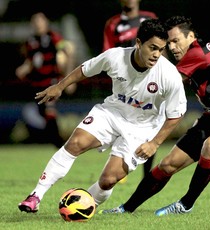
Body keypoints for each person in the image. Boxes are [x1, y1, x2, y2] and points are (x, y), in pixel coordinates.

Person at [18, 18, 187, 213]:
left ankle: (83, 207)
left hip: (142, 127)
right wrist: (60, 86)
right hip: (112, 113)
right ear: (139, 43)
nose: (157, 54)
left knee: (108, 181)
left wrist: (155, 143)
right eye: (152, 48)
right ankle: (35, 196)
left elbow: (177, 113)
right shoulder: (115, 57)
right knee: (75, 143)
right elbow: (85, 70)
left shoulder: (168, 74)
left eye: (161, 49)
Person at [100, 15, 210, 216]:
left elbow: (166, 80)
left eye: (176, 41)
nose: (173, 47)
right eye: (169, 43)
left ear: (191, 36)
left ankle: (186, 204)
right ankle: (126, 209)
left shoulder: (197, 54)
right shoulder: (199, 52)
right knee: (167, 165)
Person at [102, 0, 158, 178]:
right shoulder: (113, 23)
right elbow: (107, 53)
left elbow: (160, 45)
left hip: (149, 79)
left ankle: (146, 174)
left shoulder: (149, 18)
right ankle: (116, 165)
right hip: (125, 83)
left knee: (150, 124)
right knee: (121, 123)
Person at [15, 12, 76, 148]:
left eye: (40, 21)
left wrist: (70, 79)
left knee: (49, 109)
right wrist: (23, 68)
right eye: (35, 21)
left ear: (46, 23)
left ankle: (59, 144)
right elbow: (31, 61)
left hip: (52, 81)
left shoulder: (54, 38)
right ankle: (55, 140)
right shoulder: (30, 42)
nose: (38, 24)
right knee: (44, 113)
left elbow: (68, 52)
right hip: (37, 84)